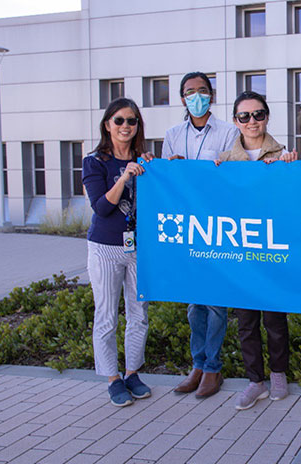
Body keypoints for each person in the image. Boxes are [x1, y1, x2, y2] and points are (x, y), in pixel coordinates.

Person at [215, 91, 296, 410]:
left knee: (275, 319)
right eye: (244, 116)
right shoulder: (224, 160)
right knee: (246, 321)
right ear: (236, 121)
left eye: (258, 114)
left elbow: (293, 199)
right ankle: (255, 381)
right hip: (240, 252)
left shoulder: (283, 155)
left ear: (267, 117)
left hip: (272, 250)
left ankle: (278, 374)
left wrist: (291, 167)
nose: (252, 121)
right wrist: (211, 174)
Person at [165, 72, 239, 399]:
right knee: (194, 303)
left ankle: (213, 368)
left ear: (212, 95)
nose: (197, 96)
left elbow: (231, 178)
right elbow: (168, 182)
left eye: (203, 91)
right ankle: (197, 364)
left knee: (217, 303)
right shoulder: (171, 134)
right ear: (182, 98)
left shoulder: (228, 132)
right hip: (187, 228)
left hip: (219, 226)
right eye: (190, 91)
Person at [82, 97, 152, 407]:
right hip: (105, 248)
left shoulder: (146, 160)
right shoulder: (94, 161)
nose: (126, 126)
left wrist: (156, 166)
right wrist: (124, 177)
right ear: (108, 124)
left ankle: (133, 373)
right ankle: (112, 378)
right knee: (107, 316)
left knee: (139, 316)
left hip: (139, 248)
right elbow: (101, 207)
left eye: (132, 121)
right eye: (119, 120)